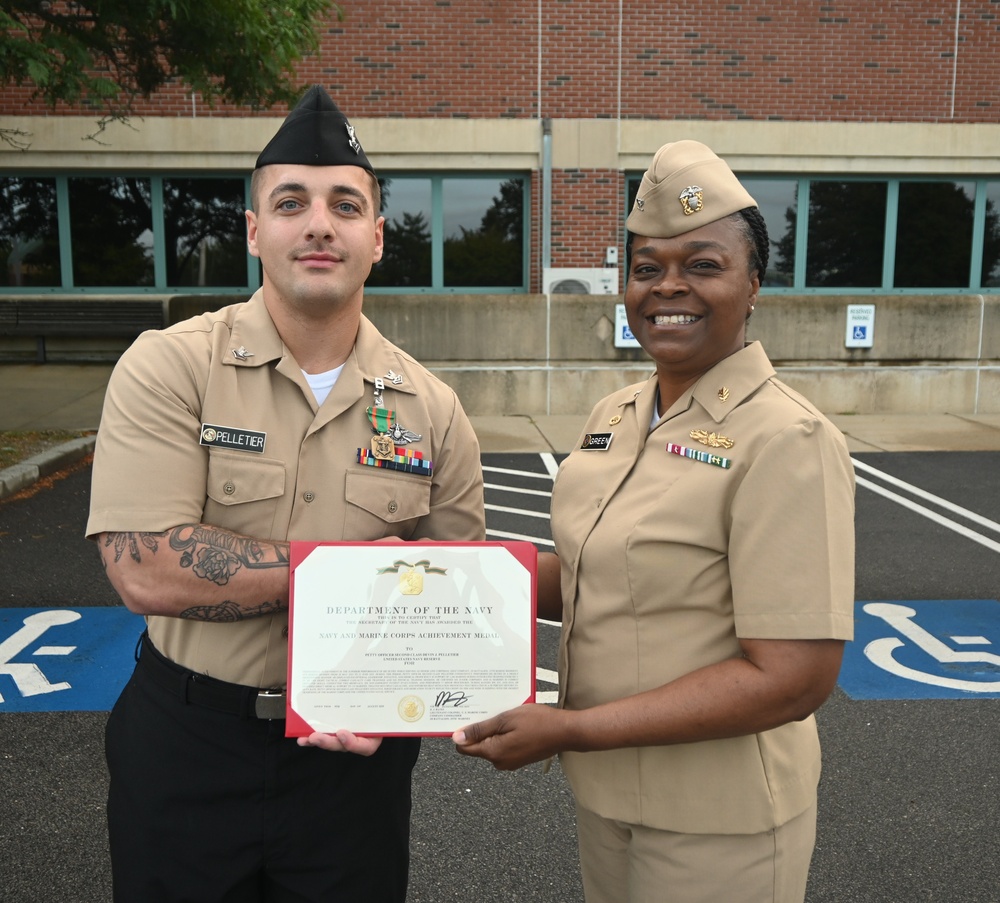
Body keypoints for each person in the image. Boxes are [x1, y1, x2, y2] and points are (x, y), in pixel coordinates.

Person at [86, 85, 485, 903]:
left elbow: (457, 594)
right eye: (291, 201)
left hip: (353, 769)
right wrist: (357, 570)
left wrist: (396, 696)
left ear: (376, 237)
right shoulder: (171, 367)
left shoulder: (433, 409)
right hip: (189, 744)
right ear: (254, 230)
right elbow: (148, 571)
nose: (318, 223)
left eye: (346, 204)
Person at [453, 140, 855, 903]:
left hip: (721, 818)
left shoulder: (787, 439)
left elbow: (793, 676)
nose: (670, 285)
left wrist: (570, 728)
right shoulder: (618, 415)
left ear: (754, 282)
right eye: (647, 268)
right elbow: (592, 574)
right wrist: (437, 574)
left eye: (703, 264)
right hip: (609, 795)